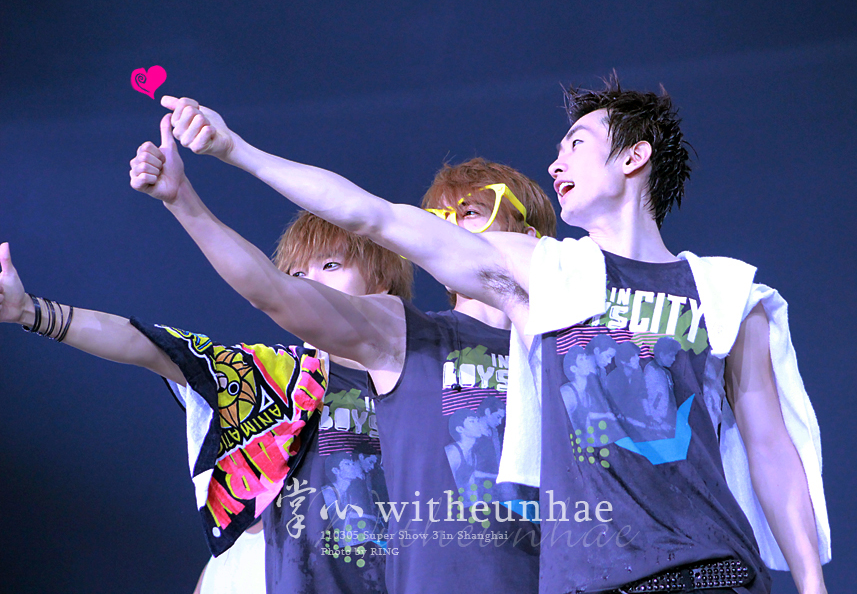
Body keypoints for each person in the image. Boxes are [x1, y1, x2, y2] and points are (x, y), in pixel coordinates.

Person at [155, 76, 831, 594]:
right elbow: (373, 217)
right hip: (592, 579)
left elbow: (772, 448)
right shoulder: (546, 272)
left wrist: (811, 585)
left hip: (714, 567)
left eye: (576, 144)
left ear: (635, 157)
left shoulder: (725, 289)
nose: (557, 162)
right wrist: (235, 151)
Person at [129, 111, 556, 594]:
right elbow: (271, 290)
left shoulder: (566, 345)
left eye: (472, 212)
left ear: (530, 238)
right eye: (438, 219)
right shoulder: (409, 337)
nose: (450, 229)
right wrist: (186, 200)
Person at [0, 208, 413, 594]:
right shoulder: (280, 377)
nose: (309, 284)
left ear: (381, 282)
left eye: (331, 265)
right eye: (297, 273)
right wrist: (29, 312)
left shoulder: (428, 382)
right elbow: (150, 347)